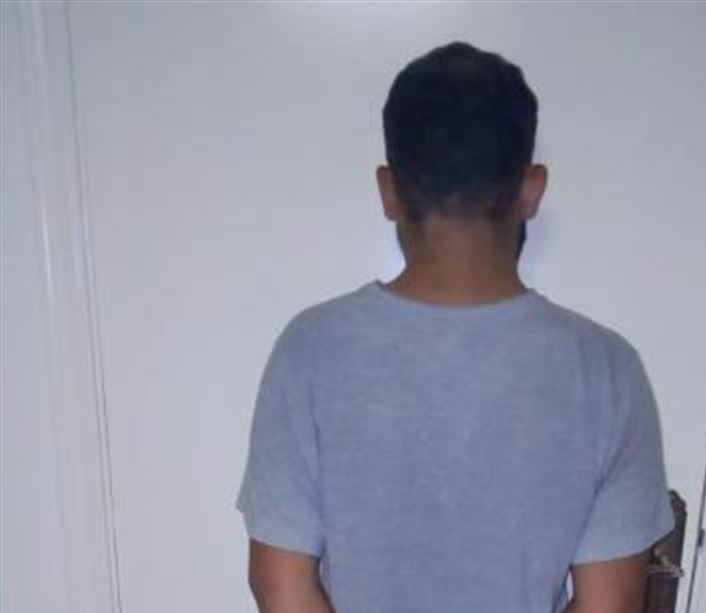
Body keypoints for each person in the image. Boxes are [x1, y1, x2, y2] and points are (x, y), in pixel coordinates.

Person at [235, 41, 674, 613]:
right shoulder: (606, 371)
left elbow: (280, 585)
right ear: (532, 189)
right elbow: (610, 605)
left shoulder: (312, 349)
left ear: (388, 190)